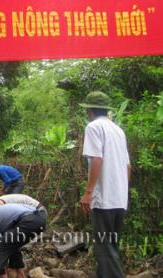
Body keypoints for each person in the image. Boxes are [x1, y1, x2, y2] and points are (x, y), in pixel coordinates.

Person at [79, 91, 131, 278]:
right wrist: (123, 192)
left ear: (90, 110)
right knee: (111, 248)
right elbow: (127, 166)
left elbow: (97, 158)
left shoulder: (93, 127)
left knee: (105, 249)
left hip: (104, 199)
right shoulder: (118, 131)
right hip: (119, 199)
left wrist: (88, 192)